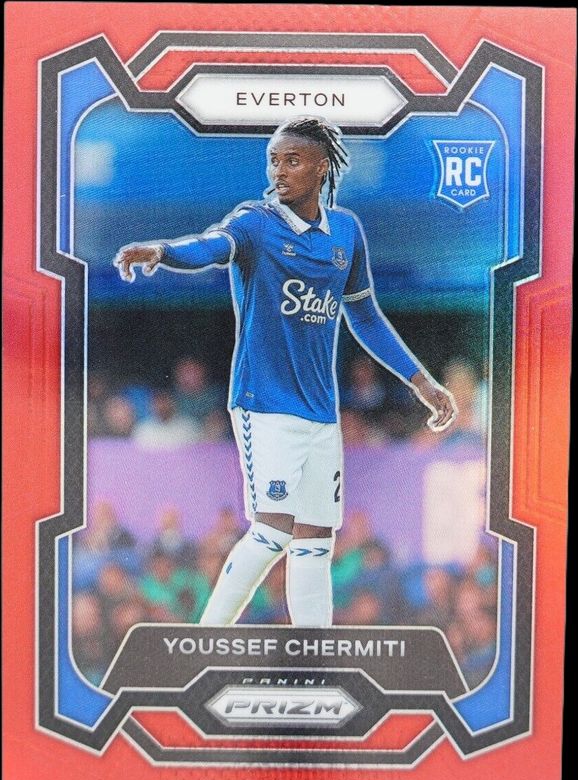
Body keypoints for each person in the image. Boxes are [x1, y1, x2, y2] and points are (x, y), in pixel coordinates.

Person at [114, 116, 456, 628]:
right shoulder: (255, 221)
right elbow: (211, 246)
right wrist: (163, 252)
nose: (279, 170)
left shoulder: (346, 232)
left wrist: (421, 381)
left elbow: (364, 316)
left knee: (316, 538)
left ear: (321, 168)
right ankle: (207, 637)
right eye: (274, 160)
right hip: (264, 402)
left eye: (292, 161)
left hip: (321, 410)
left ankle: (313, 647)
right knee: (273, 530)